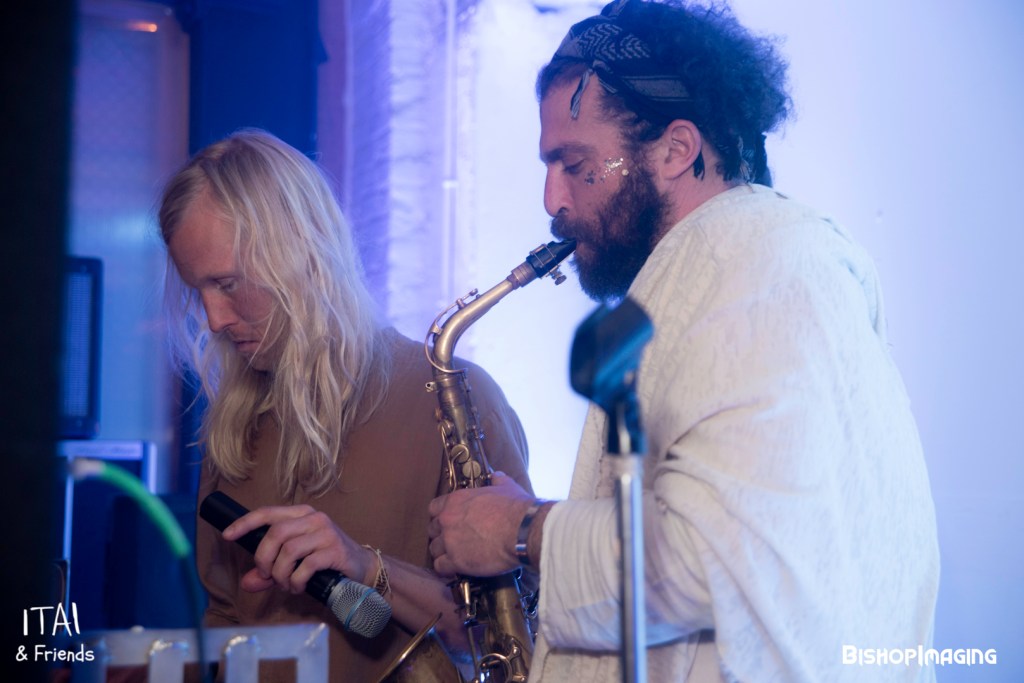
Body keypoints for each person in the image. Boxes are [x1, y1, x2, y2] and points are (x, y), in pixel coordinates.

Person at [427, 1, 940, 681]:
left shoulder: (761, 265)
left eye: (574, 163)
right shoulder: (729, 266)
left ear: (675, 150)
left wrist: (520, 532)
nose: (552, 199)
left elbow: (718, 555)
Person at [159, 128, 532, 681]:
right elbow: (224, 624)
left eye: (229, 284)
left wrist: (365, 566)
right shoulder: (233, 427)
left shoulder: (456, 399)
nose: (214, 320)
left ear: (301, 250)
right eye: (199, 292)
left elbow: (512, 636)